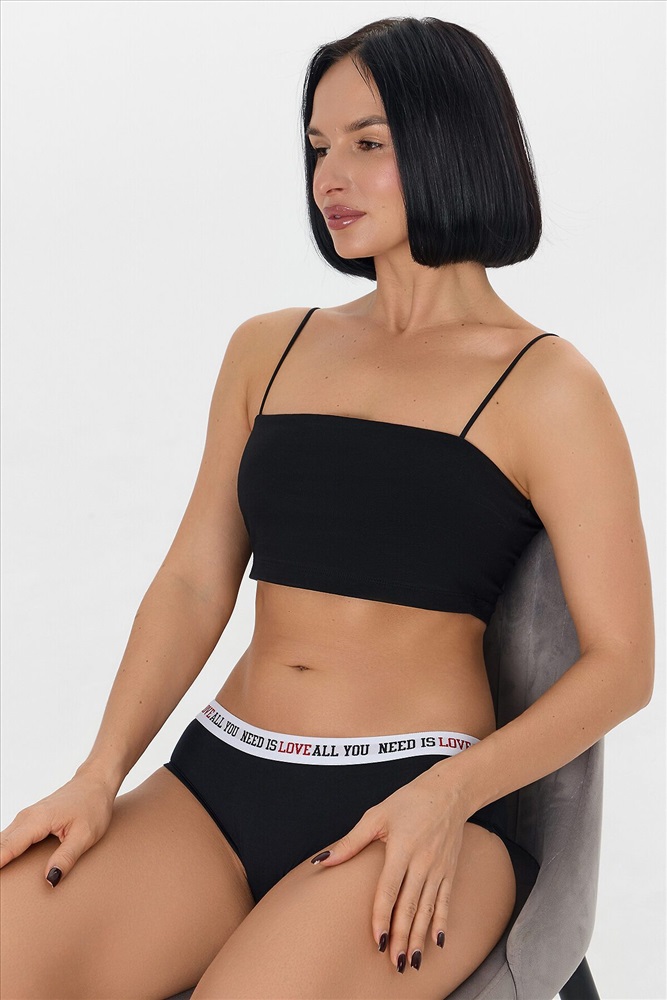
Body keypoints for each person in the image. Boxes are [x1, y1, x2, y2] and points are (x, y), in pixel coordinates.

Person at [0, 15, 654, 1000]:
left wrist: (451, 795)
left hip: (412, 799)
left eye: (366, 143)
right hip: (216, 785)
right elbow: (193, 580)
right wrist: (99, 772)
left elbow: (622, 663)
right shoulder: (268, 348)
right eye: (316, 147)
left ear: (449, 144)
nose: (328, 178)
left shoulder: (547, 384)